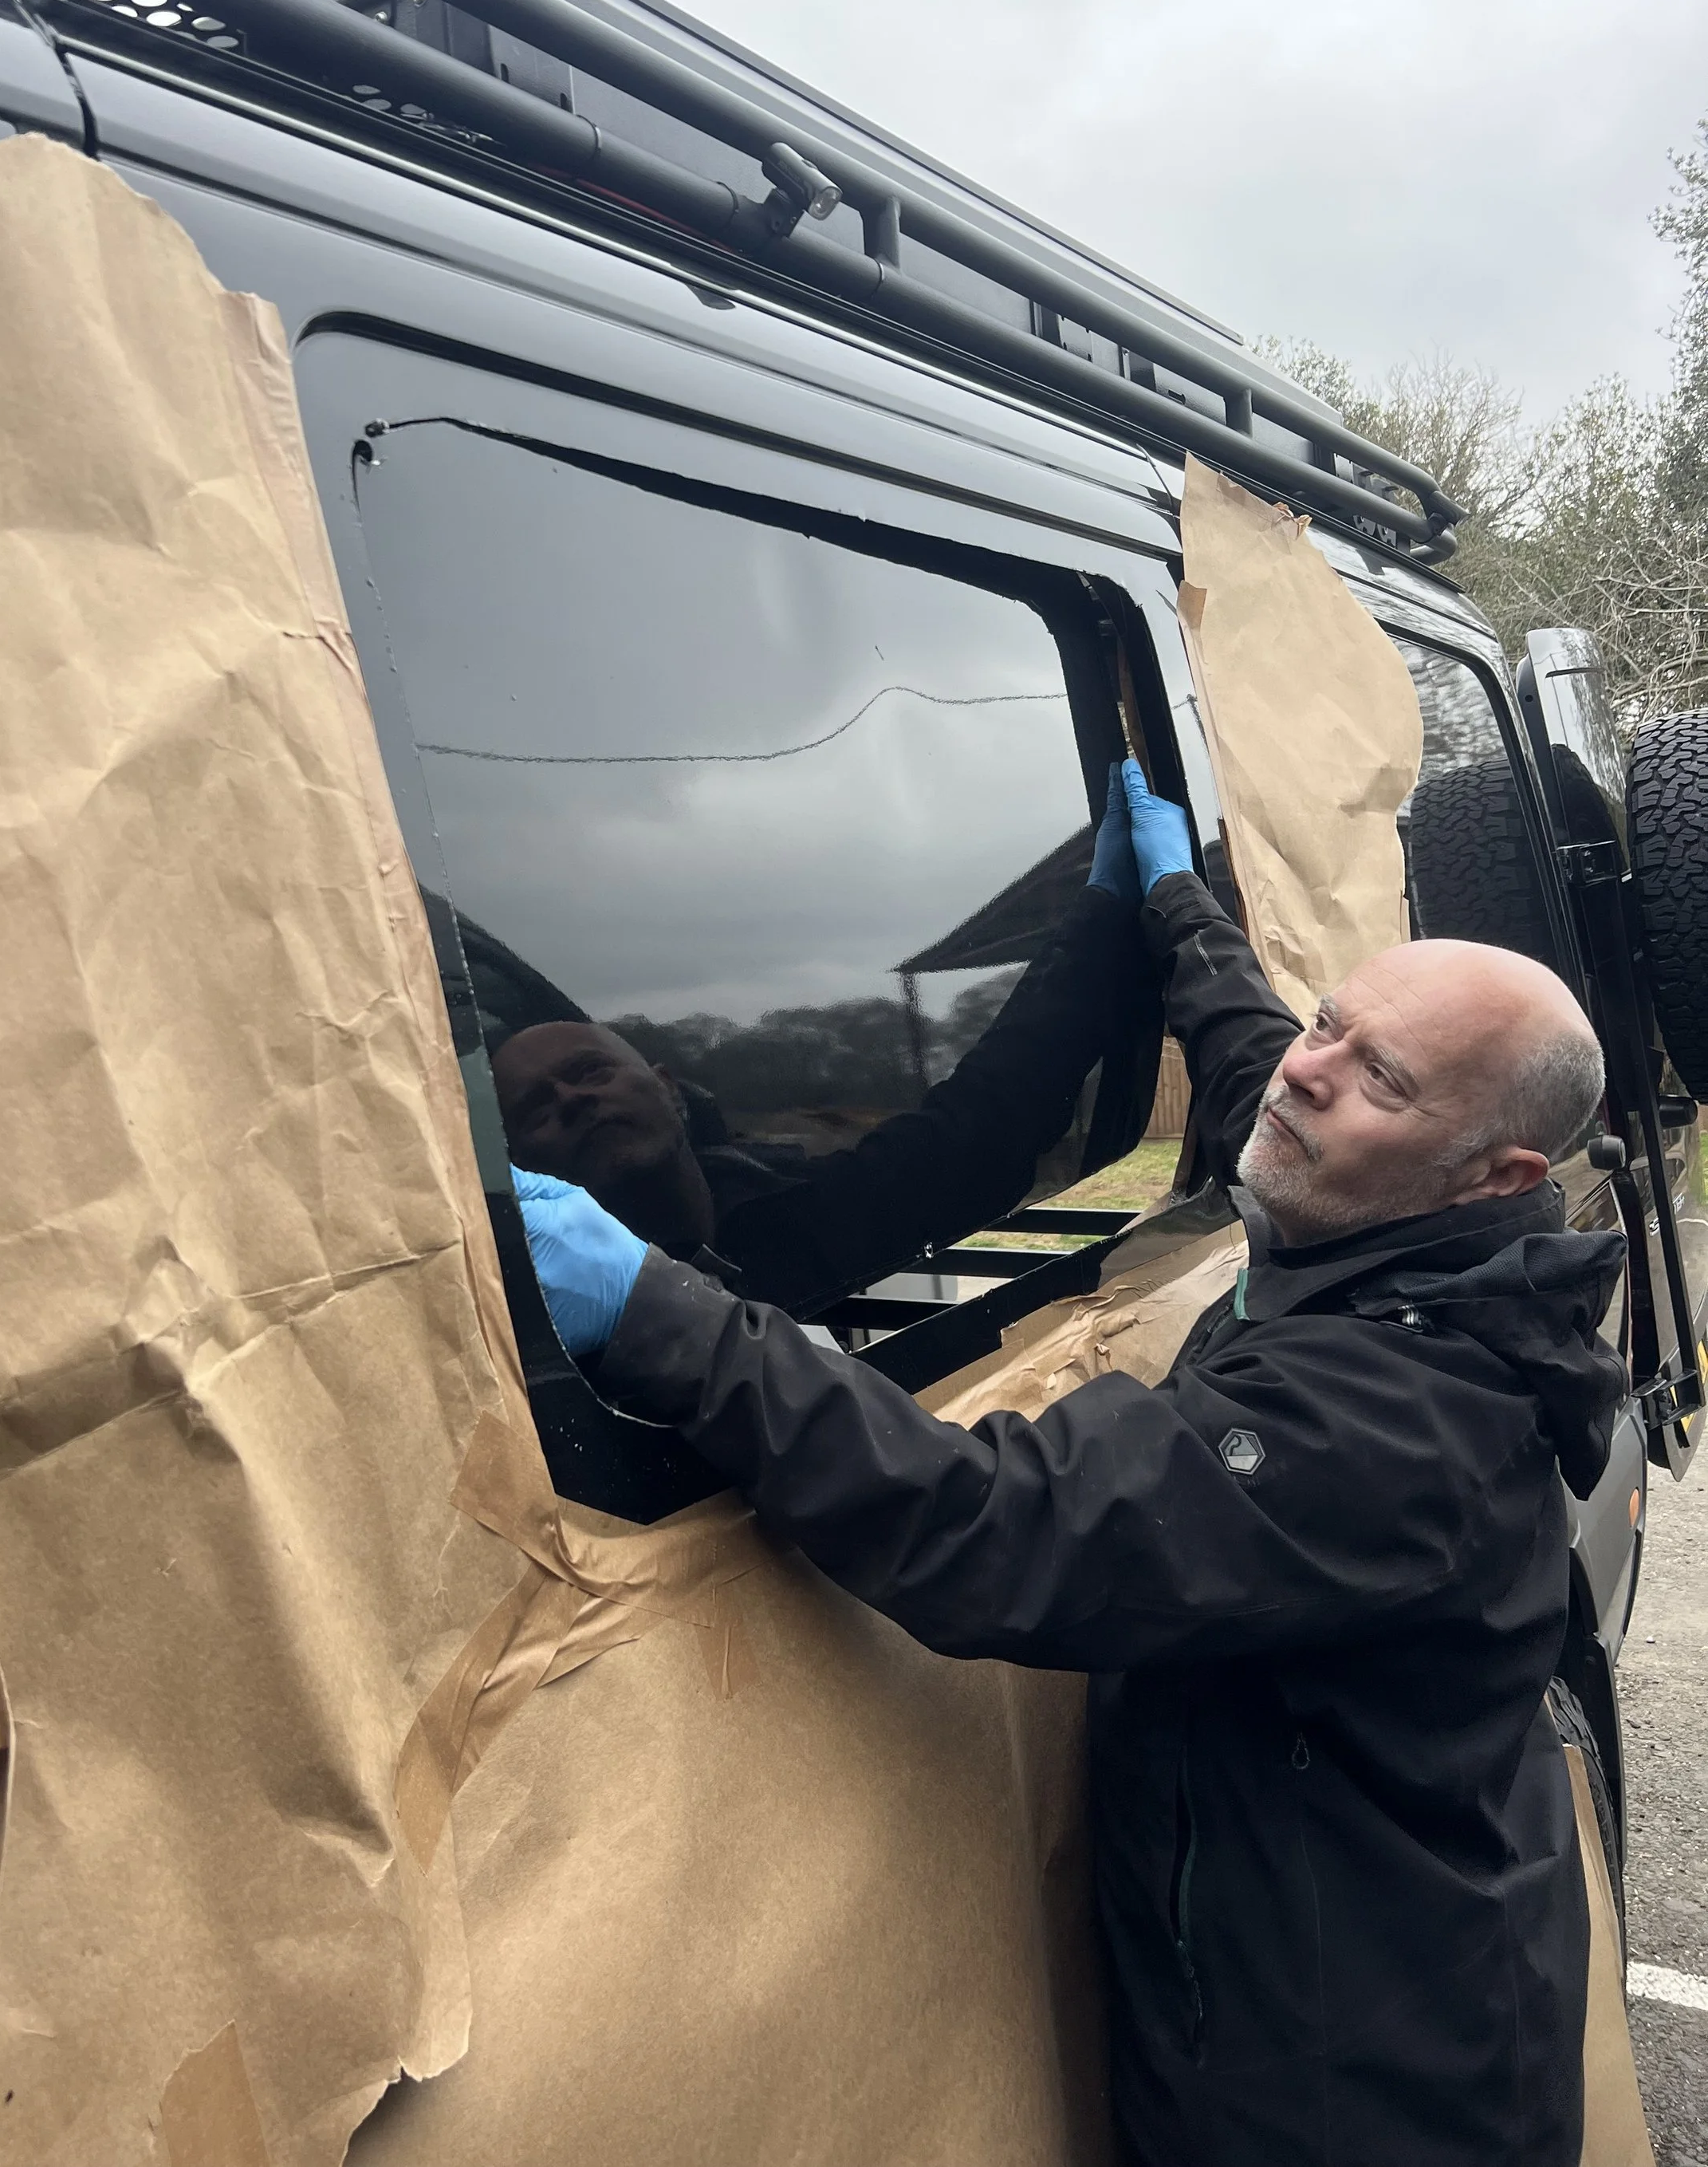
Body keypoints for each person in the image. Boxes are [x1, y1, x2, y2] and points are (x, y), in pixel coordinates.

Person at [513, 762, 1623, 2167]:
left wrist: (651, 1306)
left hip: (1363, 2094)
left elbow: (1000, 1524)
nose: (1309, 1068)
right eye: (1331, 1017)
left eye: (1379, 1075)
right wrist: (1161, 898)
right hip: (1334, 1981)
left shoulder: (1403, 1416)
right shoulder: (1376, 1203)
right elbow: (1247, 1058)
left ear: (1495, 1175)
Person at [490, 859, 1162, 1321]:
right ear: (516, 1166)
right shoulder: (531, 1323)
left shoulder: (805, 1218)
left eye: (588, 1072)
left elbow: (988, 1115)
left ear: (670, 1091)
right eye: (536, 1108)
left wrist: (1103, 911)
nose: (572, 1099)